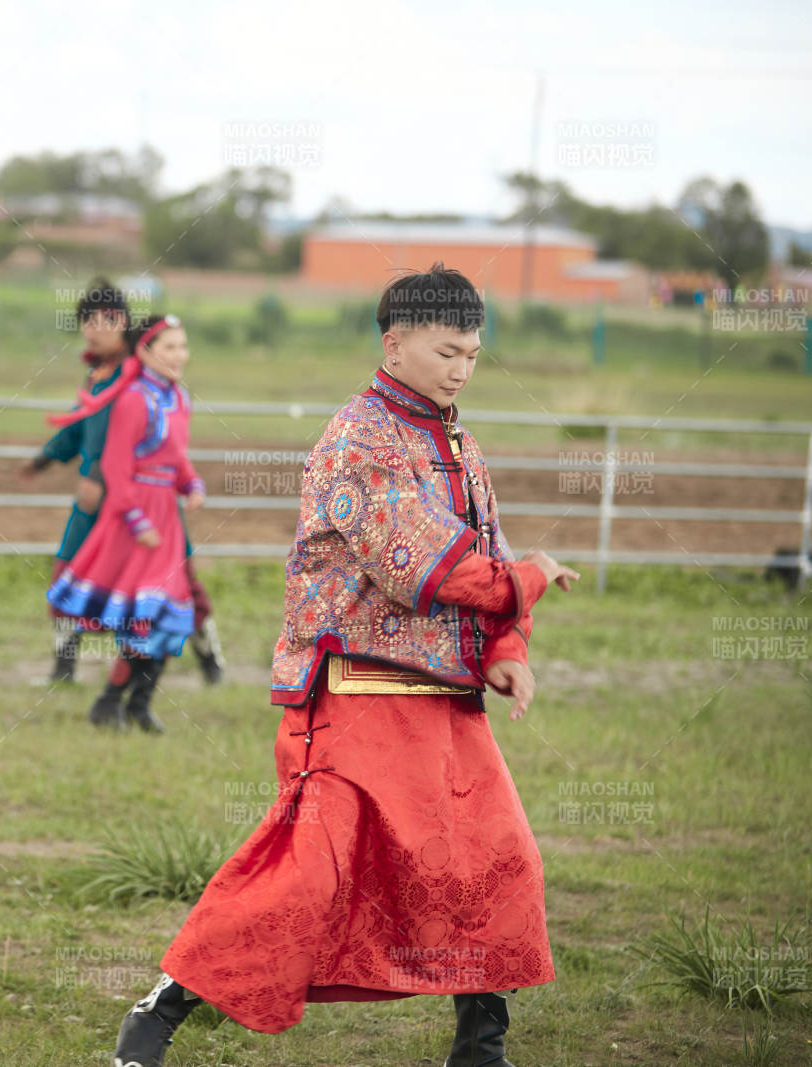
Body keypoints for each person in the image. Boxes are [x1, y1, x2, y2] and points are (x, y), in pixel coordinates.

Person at [110, 264, 580, 1067]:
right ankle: (161, 1009)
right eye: (446, 352)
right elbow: (423, 565)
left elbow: (489, 549)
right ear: (394, 345)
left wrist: (507, 649)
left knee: (498, 861)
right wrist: (529, 576)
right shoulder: (357, 438)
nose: (461, 370)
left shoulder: (460, 443)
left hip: (445, 705)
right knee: (306, 877)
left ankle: (481, 1048)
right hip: (354, 699)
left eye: (472, 354)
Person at [23, 281, 225, 692]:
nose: (91, 330)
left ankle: (209, 660)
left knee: (181, 585)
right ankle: (65, 668)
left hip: (141, 500)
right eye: (86, 322)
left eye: (102, 321)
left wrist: (99, 478)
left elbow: (140, 445)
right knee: (69, 575)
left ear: (123, 324)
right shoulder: (99, 375)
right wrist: (45, 458)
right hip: (99, 503)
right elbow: (80, 426)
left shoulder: (140, 378)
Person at [46, 314, 203, 732]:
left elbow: (176, 454)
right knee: (144, 618)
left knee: (169, 618)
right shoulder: (135, 399)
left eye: (183, 346)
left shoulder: (179, 398)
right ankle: (110, 701)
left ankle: (137, 703)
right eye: (170, 347)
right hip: (136, 520)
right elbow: (116, 468)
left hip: (166, 519)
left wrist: (191, 483)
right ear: (145, 352)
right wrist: (136, 521)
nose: (180, 355)